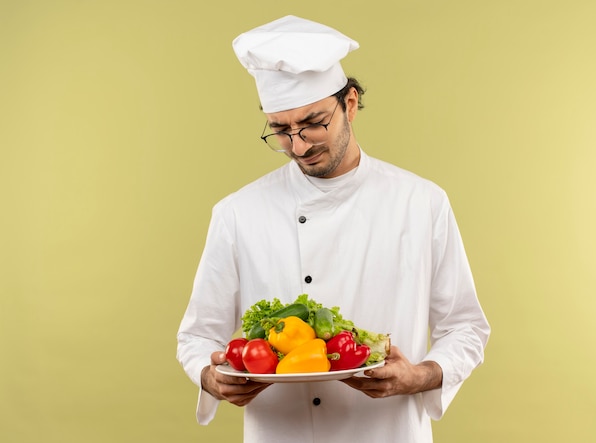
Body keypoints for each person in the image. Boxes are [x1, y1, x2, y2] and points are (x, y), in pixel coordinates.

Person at [177, 15, 490, 443]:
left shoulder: (422, 203)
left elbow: (466, 327)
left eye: (313, 122)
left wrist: (419, 376)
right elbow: (197, 335)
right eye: (281, 131)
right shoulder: (237, 213)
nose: (299, 145)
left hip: (387, 433)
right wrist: (209, 377)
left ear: (351, 103)